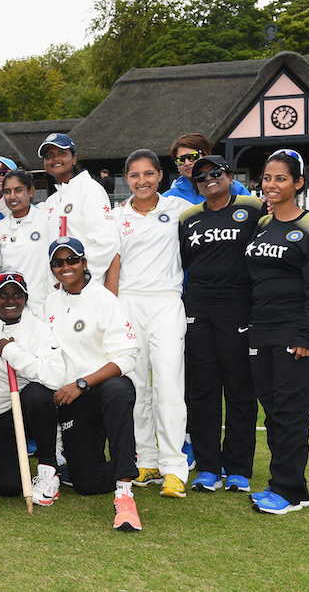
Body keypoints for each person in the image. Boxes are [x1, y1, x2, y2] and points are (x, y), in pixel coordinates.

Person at [246, 149, 309, 515]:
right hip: (260, 330)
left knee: (291, 412)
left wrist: (308, 337)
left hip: (295, 331)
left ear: (298, 183)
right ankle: (289, 484)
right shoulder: (264, 226)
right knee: (273, 411)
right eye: (267, 178)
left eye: (281, 178)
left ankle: (289, 491)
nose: (271, 185)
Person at [179, 155, 266, 494]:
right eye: (201, 177)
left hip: (239, 309)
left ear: (229, 175)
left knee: (240, 389)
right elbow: (186, 263)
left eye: (215, 173)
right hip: (198, 309)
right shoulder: (189, 218)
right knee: (202, 391)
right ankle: (208, 467)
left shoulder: (252, 208)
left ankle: (239, 468)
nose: (208, 179)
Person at [44, 237, 141, 531]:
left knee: (119, 389)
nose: (66, 267)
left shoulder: (104, 300)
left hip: (100, 388)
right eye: (58, 263)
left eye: (72, 260)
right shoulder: (50, 301)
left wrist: (83, 383)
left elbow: (127, 356)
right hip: (72, 400)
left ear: (84, 263)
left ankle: (125, 493)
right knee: (88, 484)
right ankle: (106, 462)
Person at [113, 149, 193, 498]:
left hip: (165, 302)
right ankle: (145, 459)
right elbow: (113, 265)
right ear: (126, 180)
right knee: (135, 386)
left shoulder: (177, 209)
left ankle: (174, 466)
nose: (141, 181)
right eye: (134, 176)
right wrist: (113, 310)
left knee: (169, 382)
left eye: (148, 174)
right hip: (128, 302)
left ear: (160, 175)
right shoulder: (116, 216)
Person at [0, 133, 120, 293]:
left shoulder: (89, 189)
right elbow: (24, 215)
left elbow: (107, 242)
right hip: (62, 289)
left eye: (62, 153)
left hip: (85, 287)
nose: (55, 159)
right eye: (49, 155)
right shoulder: (54, 200)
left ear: (74, 158)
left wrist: (78, 277)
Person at [0, 271, 64, 506]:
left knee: (37, 393)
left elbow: (56, 376)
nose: (10, 300)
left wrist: (13, 353)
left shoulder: (38, 328)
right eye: (3, 295)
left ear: (25, 298)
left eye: (17, 295)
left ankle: (48, 469)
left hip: (27, 412)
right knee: (8, 487)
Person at [0, 169, 51, 318]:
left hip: (44, 306)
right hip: (13, 308)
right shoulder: (0, 227)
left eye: (18, 190)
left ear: (31, 191)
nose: (12, 197)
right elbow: (0, 270)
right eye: (7, 191)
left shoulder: (46, 220)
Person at [163, 133, 250, 203]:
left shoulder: (233, 187)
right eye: (180, 160)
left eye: (193, 156)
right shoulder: (168, 198)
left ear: (206, 155)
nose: (187, 163)